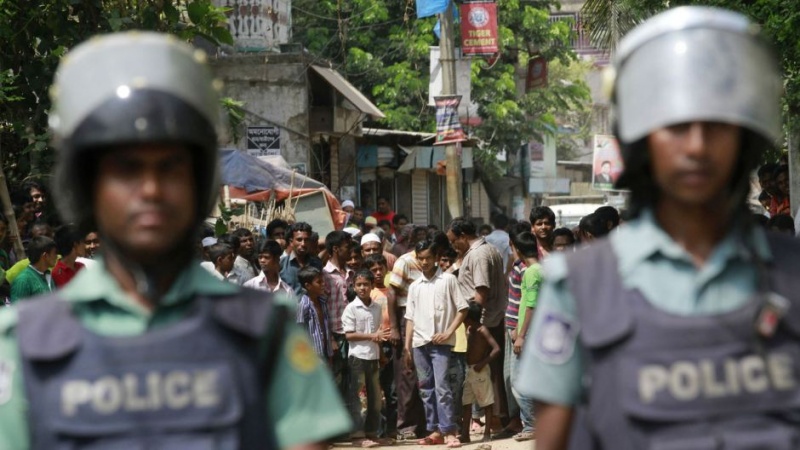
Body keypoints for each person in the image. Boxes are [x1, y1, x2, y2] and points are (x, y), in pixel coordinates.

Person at [0, 32, 351, 449]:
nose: (150, 189)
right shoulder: (23, 345)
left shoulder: (264, 333)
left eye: (170, 167)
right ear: (85, 185)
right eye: (126, 169)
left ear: (199, 182)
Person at [516, 7, 789, 450]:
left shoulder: (792, 277)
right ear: (641, 139)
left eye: (717, 125)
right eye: (677, 126)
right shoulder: (580, 286)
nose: (697, 146)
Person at [446, 218, 509, 435]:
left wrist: (473, 322)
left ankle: (496, 422)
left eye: (455, 241)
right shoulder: (487, 250)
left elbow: (481, 291)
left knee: (487, 376)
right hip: (487, 318)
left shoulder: (480, 254)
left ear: (463, 236)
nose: (454, 246)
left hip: (483, 320)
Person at [404, 240, 468, 449]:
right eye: (420, 258)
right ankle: (434, 430)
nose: (424, 262)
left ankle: (449, 430)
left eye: (428, 258)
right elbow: (410, 318)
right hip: (419, 345)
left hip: (441, 345)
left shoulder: (448, 280)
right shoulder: (414, 286)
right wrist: (407, 346)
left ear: (435, 258)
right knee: (426, 388)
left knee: (443, 388)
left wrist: (448, 332)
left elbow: (462, 309)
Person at [343, 269, 390, 448]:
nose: (362, 288)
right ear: (354, 287)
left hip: (373, 357)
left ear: (371, 286)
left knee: (375, 398)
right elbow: (349, 335)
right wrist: (372, 336)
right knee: (359, 398)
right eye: (359, 285)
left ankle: (371, 432)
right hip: (358, 358)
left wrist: (382, 355)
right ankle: (357, 436)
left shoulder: (377, 307)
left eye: (365, 284)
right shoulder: (351, 308)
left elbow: (379, 334)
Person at [508, 232, 541, 442]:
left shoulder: (531, 273)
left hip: (528, 334)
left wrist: (521, 335)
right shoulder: (542, 269)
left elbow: (531, 305)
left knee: (518, 382)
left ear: (517, 250)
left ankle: (531, 425)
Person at [365, 253, 399, 441]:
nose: (378, 273)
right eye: (373, 270)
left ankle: (392, 430)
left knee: (392, 390)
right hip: (374, 344)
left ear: (386, 269)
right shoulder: (368, 292)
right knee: (375, 390)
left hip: (391, 343)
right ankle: (376, 430)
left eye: (380, 269)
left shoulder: (392, 289)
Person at [460, 303, 500, 444]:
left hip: (480, 371)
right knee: (466, 403)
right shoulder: (470, 330)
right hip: (470, 371)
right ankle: (465, 434)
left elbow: (496, 349)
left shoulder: (483, 330)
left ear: (469, 318)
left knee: (486, 403)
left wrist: (482, 363)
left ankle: (487, 433)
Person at [296, 266, 333, 366]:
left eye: (323, 281)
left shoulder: (323, 302)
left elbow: (326, 327)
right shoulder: (303, 305)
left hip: (324, 352)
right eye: (319, 282)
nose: (323, 284)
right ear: (308, 286)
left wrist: (329, 352)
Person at [9, 236, 56, 303]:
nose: (56, 256)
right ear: (45, 256)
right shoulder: (23, 280)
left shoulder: (48, 275)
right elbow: (18, 310)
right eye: (54, 253)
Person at [280, 222, 323, 294]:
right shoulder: (281, 265)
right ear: (291, 242)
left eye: (306, 240)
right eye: (299, 240)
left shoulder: (317, 263)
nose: (303, 244)